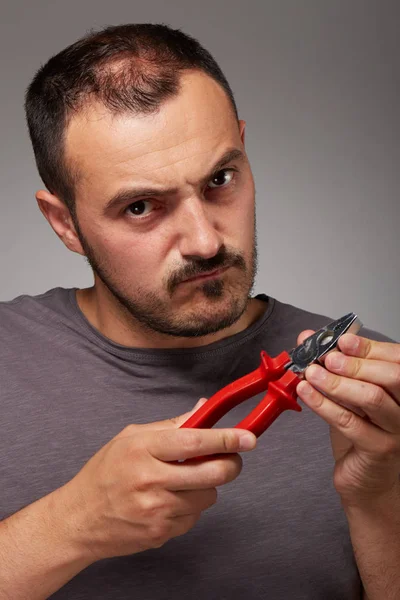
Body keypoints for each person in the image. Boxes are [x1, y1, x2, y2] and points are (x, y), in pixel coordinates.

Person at [0, 23, 399, 600]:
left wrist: (376, 497)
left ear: (243, 146)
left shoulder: (374, 396)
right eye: (141, 206)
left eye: (220, 179)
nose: (205, 241)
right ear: (64, 223)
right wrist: (71, 526)